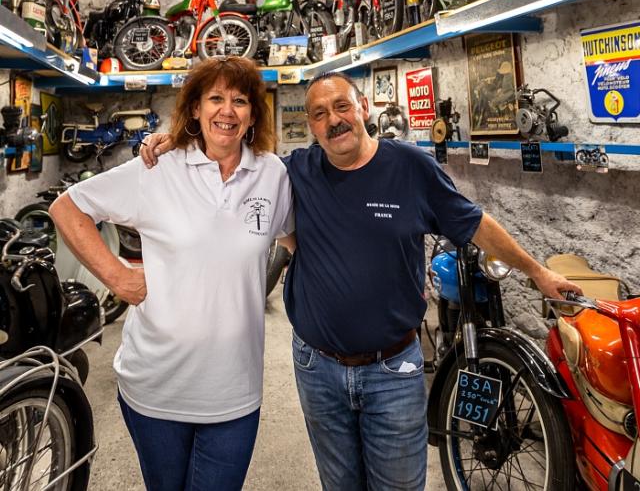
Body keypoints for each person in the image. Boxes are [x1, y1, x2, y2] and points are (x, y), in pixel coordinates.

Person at [141, 71, 580, 491]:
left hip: (393, 371)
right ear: (310, 125)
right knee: (340, 484)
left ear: (363, 107)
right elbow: (231, 156)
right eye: (319, 114)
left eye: (341, 107)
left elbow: (475, 224)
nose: (333, 120)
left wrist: (538, 272)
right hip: (317, 368)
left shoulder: (411, 167)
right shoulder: (295, 172)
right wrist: (179, 142)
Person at [50, 57, 294, 491]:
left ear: (253, 114)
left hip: (235, 388)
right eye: (215, 98)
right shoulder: (158, 167)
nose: (227, 111)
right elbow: (67, 208)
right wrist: (118, 277)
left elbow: (296, 239)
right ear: (195, 109)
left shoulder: (272, 174)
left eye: (240, 101)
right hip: (156, 386)